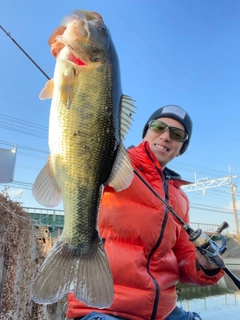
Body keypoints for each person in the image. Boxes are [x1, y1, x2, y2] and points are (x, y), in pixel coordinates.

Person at [66, 105, 224, 320]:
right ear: (145, 133)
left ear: (181, 148)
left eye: (177, 134)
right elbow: (81, 141)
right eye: (158, 126)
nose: (166, 136)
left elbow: (182, 259)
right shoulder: (115, 162)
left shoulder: (181, 198)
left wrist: (206, 267)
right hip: (103, 308)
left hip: (163, 311)